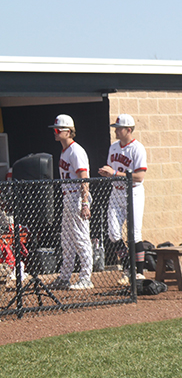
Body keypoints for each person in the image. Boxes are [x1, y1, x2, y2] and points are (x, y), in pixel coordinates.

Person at [98, 114, 147, 280]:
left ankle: (139, 272)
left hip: (133, 192)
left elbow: (139, 176)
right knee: (113, 233)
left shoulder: (137, 148)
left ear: (128, 129)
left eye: (118, 128)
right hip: (116, 192)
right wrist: (108, 174)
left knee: (135, 234)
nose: (116, 131)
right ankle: (128, 268)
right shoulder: (113, 147)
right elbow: (113, 171)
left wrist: (114, 173)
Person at [50, 114, 94, 290]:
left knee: (81, 238)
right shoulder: (64, 150)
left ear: (68, 132)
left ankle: (86, 278)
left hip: (77, 196)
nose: (55, 132)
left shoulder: (76, 151)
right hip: (67, 196)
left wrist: (84, 203)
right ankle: (64, 277)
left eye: (57, 130)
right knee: (66, 240)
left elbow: (84, 178)